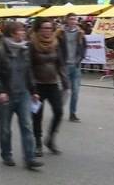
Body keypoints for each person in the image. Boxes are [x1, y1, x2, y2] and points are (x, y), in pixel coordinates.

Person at [0, 21, 43, 170]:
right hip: (6, 95)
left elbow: (29, 72)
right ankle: (6, 154)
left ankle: (30, 158)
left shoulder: (25, 49)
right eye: (21, 30)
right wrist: (1, 91)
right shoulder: (1, 50)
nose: (24, 33)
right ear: (13, 33)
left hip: (23, 94)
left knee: (27, 126)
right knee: (5, 128)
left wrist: (34, 91)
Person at [30, 18, 68, 157]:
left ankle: (50, 139)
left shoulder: (56, 43)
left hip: (52, 83)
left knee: (59, 112)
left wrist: (65, 80)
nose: (47, 31)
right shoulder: (32, 44)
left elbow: (60, 63)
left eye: (49, 28)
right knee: (37, 115)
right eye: (44, 28)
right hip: (37, 85)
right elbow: (28, 67)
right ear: (39, 30)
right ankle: (38, 143)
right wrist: (31, 87)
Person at [58, 13, 87, 123]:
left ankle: (72, 114)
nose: (73, 21)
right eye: (71, 19)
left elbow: (84, 48)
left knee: (75, 91)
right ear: (67, 20)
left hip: (75, 66)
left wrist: (79, 59)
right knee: (65, 91)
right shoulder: (60, 33)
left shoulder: (80, 33)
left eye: (74, 19)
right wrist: (61, 62)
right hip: (65, 66)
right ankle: (59, 111)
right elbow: (58, 48)